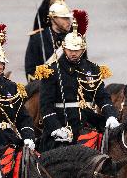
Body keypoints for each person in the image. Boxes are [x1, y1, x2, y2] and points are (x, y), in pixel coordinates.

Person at [35, 10, 120, 152]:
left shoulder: (93, 69)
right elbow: (46, 107)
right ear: (64, 48)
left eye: (77, 50)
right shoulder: (50, 71)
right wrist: (56, 129)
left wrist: (111, 115)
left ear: (83, 49)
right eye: (70, 50)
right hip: (62, 126)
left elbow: (103, 98)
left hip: (88, 125)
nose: (73, 53)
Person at [25, 0, 72, 82]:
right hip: (46, 85)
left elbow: (84, 64)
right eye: (64, 18)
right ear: (53, 18)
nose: (68, 22)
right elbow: (30, 72)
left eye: (69, 18)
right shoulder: (37, 38)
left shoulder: (75, 37)